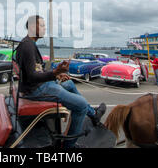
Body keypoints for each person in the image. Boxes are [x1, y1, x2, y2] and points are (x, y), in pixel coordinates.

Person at [15, 15, 106, 148]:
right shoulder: (28, 46)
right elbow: (32, 77)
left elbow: (37, 72)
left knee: (68, 83)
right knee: (80, 106)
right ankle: (69, 146)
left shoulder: (28, 43)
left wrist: (56, 76)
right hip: (36, 91)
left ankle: (93, 115)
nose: (45, 29)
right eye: (42, 25)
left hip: (38, 86)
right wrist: (55, 73)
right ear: (33, 27)